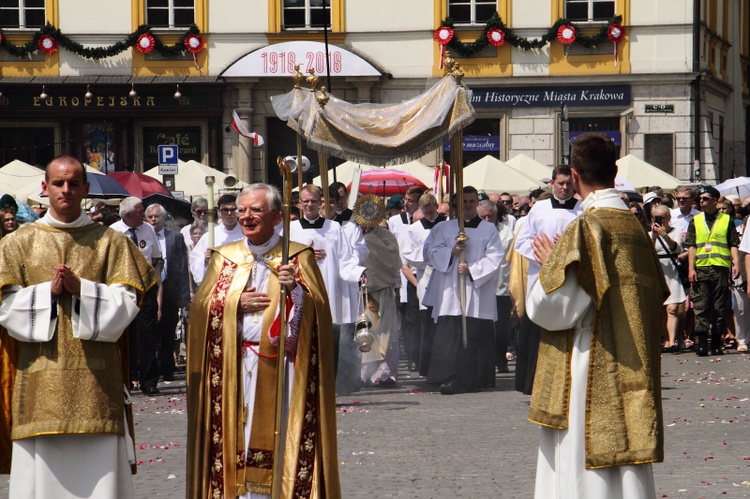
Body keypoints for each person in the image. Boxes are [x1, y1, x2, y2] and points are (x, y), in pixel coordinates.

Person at [0, 155, 158, 497]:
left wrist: (82, 291)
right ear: (45, 188)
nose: (66, 190)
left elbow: (127, 306)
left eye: (74, 183)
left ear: (86, 189)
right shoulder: (16, 243)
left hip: (97, 387)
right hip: (39, 386)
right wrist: (49, 294)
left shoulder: (111, 242)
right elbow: (6, 309)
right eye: (58, 183)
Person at [526, 133, 667, 498]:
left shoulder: (588, 227)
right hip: (633, 359)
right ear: (615, 170)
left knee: (584, 464)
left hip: (591, 358)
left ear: (573, 176)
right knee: (626, 465)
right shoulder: (635, 229)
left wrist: (548, 269)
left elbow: (556, 310)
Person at [187, 183, 340, 498]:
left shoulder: (298, 256)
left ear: (276, 217)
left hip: (282, 370)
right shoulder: (224, 257)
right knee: (235, 440)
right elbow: (201, 309)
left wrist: (297, 291)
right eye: (242, 210)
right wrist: (232, 304)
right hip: (232, 367)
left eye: (255, 210)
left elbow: (320, 313)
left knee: (282, 439)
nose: (245, 217)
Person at [423, 185, 504, 394]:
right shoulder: (443, 228)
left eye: (471, 202)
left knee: (475, 331)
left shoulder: (488, 229)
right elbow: (429, 251)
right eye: (463, 202)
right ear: (456, 204)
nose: (467, 206)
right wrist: (451, 252)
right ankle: (447, 376)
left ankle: (476, 378)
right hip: (450, 290)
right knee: (451, 333)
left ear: (477, 203)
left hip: (477, 290)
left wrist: (472, 269)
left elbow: (495, 257)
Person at [288, 185, 364, 395]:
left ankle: (327, 387)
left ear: (320, 201)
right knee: (304, 342)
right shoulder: (291, 230)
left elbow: (346, 259)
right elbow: (282, 261)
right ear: (300, 204)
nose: (310, 205)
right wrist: (305, 252)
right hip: (302, 294)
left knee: (330, 342)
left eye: (314, 201)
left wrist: (358, 273)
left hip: (329, 293)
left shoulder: (334, 228)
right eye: (305, 201)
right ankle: (303, 387)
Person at [513, 165, 582, 395]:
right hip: (540, 276)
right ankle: (533, 382)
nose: (564, 188)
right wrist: (545, 256)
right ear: (551, 183)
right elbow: (522, 242)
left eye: (568, 184)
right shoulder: (539, 208)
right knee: (537, 332)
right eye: (560, 183)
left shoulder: (583, 210)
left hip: (571, 280)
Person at [111, 197, 163, 395]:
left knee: (147, 334)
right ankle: (127, 377)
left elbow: (155, 258)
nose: (144, 214)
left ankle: (149, 380)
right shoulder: (113, 232)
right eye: (140, 211)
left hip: (145, 288)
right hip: (123, 288)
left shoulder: (148, 230)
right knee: (125, 333)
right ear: (128, 214)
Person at [683, 185, 740, 356]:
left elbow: (733, 244)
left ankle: (716, 341)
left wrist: (735, 263)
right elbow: (692, 246)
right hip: (701, 268)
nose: (701, 201)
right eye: (700, 198)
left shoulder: (726, 220)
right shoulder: (696, 221)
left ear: (715, 201)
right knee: (700, 305)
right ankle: (701, 342)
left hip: (720, 268)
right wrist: (691, 268)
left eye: (705, 198)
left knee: (719, 306)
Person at [145, 203, 190, 382]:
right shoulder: (144, 236)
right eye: (150, 217)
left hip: (171, 290)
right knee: (151, 332)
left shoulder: (175, 237)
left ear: (164, 219)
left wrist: (184, 294)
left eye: (157, 216)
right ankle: (152, 368)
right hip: (151, 291)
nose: (154, 220)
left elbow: (182, 264)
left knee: (169, 329)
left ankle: (168, 368)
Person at [476, 200, 515, 373]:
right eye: (482, 216)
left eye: (489, 216)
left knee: (501, 329)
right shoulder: (474, 232)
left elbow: (513, 260)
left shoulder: (506, 233)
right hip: (481, 286)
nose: (486, 219)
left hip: (501, 287)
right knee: (483, 328)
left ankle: (501, 360)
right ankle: (485, 361)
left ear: (495, 215)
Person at [388, 186, 423, 372]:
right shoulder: (395, 221)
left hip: (419, 272)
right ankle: (410, 356)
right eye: (405, 200)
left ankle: (419, 355)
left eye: (410, 200)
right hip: (401, 273)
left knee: (418, 318)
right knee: (407, 319)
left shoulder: (422, 220)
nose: (406, 203)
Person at [649, 205, 687, 353]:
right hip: (658, 271)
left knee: (672, 308)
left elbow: (676, 249)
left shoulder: (675, 232)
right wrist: (654, 236)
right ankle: (666, 339)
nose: (661, 220)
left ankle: (672, 341)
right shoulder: (649, 234)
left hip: (672, 271)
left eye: (663, 217)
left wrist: (665, 235)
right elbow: (649, 251)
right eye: (657, 217)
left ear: (669, 218)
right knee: (662, 308)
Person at [189, 193, 243, 286]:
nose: (229, 213)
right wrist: (205, 259)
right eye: (225, 210)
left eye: (233, 209)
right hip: (217, 284)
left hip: (240, 282)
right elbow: (194, 262)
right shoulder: (209, 236)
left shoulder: (246, 233)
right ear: (219, 212)